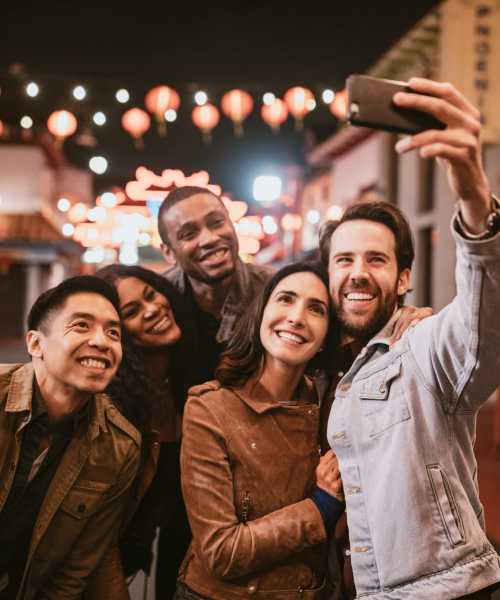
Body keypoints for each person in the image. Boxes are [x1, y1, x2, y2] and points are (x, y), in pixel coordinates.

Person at [320, 78, 500, 599]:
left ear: (403, 279)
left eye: (376, 259)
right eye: (343, 260)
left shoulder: (421, 348)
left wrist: (473, 199)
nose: (357, 273)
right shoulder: (331, 371)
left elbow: (479, 322)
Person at [177, 262, 346, 600]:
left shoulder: (332, 403)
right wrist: (320, 508)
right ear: (261, 314)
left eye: (316, 309)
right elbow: (221, 552)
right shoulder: (209, 408)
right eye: (286, 299)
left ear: (328, 335)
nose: (297, 317)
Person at [0, 276, 140, 600]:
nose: (102, 342)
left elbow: (72, 573)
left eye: (113, 333)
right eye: (81, 326)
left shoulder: (119, 447)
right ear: (35, 344)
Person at [85, 264, 195, 599]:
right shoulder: (109, 405)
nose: (153, 309)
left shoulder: (189, 381)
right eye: (132, 311)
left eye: (151, 294)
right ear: (118, 332)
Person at [157, 185, 273, 384]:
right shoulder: (156, 298)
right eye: (189, 234)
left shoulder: (273, 289)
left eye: (217, 223)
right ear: (168, 252)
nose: (209, 239)